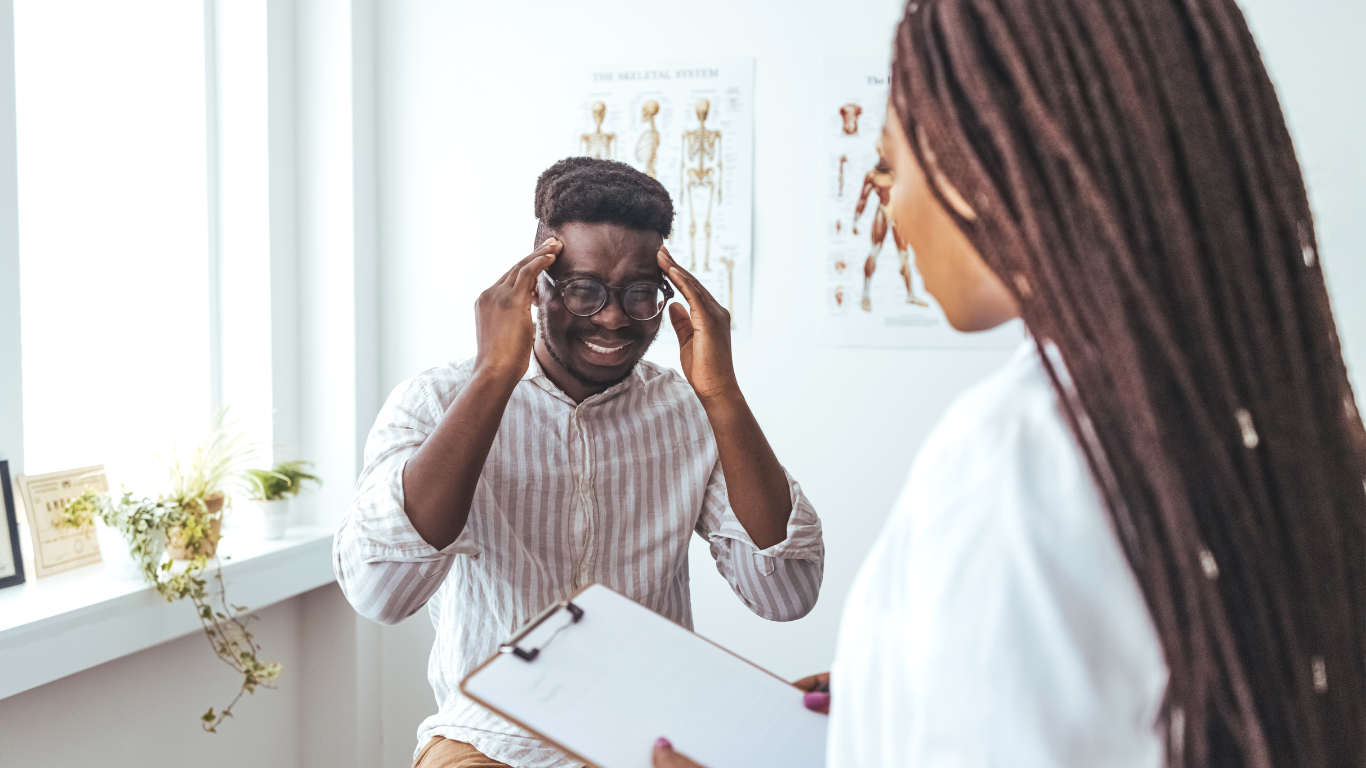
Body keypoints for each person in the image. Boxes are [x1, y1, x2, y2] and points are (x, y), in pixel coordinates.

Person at [653, 0, 1364, 766]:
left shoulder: (1017, 457)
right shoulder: (1288, 428)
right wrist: (898, 702)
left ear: (989, 158)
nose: (886, 207)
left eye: (890, 163)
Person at [335, 157, 825, 768]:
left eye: (639, 292)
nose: (614, 316)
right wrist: (493, 375)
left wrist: (722, 392)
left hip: (652, 745)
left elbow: (786, 593)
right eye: (582, 288)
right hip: (490, 743)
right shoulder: (436, 400)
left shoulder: (689, 409)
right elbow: (381, 593)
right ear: (534, 284)